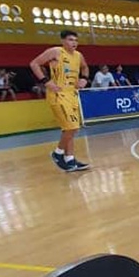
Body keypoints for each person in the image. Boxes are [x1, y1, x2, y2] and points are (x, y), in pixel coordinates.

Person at [29, 30, 91, 171]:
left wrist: (84, 79)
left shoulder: (78, 55)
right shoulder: (55, 51)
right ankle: (58, 153)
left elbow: (85, 67)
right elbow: (34, 64)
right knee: (71, 127)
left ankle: (70, 159)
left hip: (72, 94)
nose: (74, 42)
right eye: (70, 39)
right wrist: (45, 81)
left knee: (70, 129)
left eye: (75, 40)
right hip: (58, 94)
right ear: (63, 41)